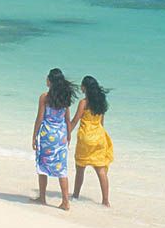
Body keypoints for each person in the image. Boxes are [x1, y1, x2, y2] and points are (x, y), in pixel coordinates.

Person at [32, 68, 78, 210]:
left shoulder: (44, 97)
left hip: (47, 135)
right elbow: (67, 118)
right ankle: (65, 201)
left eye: (47, 78)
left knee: (42, 166)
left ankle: (42, 197)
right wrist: (69, 134)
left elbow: (40, 118)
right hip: (61, 135)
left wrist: (34, 135)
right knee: (62, 169)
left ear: (51, 81)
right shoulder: (65, 97)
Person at [70, 75, 114, 207]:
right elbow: (101, 122)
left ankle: (75, 196)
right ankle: (105, 201)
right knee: (101, 170)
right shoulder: (101, 101)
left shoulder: (84, 103)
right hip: (99, 136)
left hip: (86, 138)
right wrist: (101, 136)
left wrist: (67, 133)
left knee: (80, 169)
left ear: (85, 87)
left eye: (82, 86)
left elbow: (76, 119)